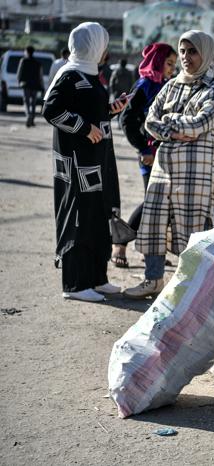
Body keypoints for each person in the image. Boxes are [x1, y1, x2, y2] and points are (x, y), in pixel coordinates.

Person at [124, 30, 214, 298]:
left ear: (205, 54)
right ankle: (153, 280)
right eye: (182, 51)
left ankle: (187, 289)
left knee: (192, 231)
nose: (185, 57)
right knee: (154, 223)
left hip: (195, 173)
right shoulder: (171, 85)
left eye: (192, 51)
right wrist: (176, 129)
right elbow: (150, 121)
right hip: (163, 169)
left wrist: (168, 122)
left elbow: (200, 124)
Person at [43, 22, 127, 302]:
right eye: (102, 44)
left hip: (95, 164)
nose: (105, 50)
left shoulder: (90, 74)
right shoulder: (69, 75)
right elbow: (51, 110)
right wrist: (83, 128)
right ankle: (75, 285)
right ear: (92, 46)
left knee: (96, 219)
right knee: (78, 219)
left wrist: (112, 109)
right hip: (77, 166)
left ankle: (96, 279)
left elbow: (92, 110)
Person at [111, 43, 177, 268]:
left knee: (162, 205)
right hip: (150, 154)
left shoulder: (165, 84)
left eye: (174, 65)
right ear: (157, 62)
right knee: (152, 201)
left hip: (165, 153)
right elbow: (126, 120)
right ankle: (120, 243)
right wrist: (143, 149)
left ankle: (150, 251)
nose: (172, 69)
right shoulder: (145, 85)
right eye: (169, 64)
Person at [17, 46, 44, 127]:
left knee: (26, 101)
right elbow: (40, 76)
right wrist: (42, 86)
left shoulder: (23, 60)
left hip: (26, 84)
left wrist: (19, 82)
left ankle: (28, 115)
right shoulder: (38, 63)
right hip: (35, 85)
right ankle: (32, 120)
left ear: (26, 52)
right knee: (33, 103)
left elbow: (19, 72)